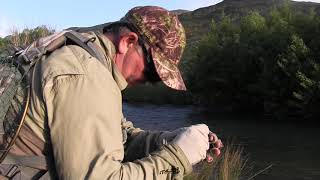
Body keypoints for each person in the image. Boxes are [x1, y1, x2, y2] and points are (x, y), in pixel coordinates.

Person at [0, 6, 223, 179]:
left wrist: (168, 140)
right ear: (128, 42)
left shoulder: (83, 57)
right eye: (153, 71)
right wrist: (178, 157)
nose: (150, 83)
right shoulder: (87, 77)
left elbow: (119, 137)